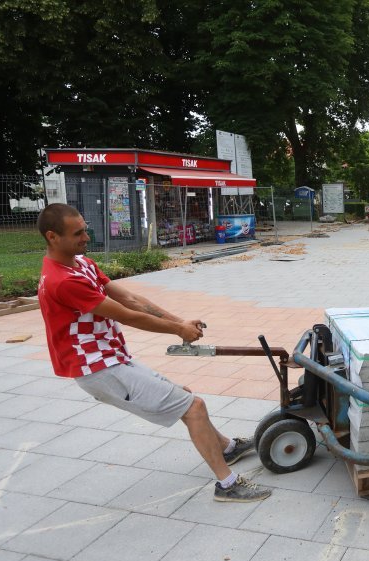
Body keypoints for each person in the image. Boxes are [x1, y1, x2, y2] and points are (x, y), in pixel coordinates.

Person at [36, 204, 271, 502]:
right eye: (78, 232)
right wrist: (177, 330)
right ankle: (228, 485)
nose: (86, 236)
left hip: (112, 359)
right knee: (193, 406)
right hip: (97, 369)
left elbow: (130, 298)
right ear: (52, 237)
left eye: (85, 228)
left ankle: (227, 448)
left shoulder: (81, 263)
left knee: (185, 397)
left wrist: (179, 322)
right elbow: (127, 315)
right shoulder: (63, 280)